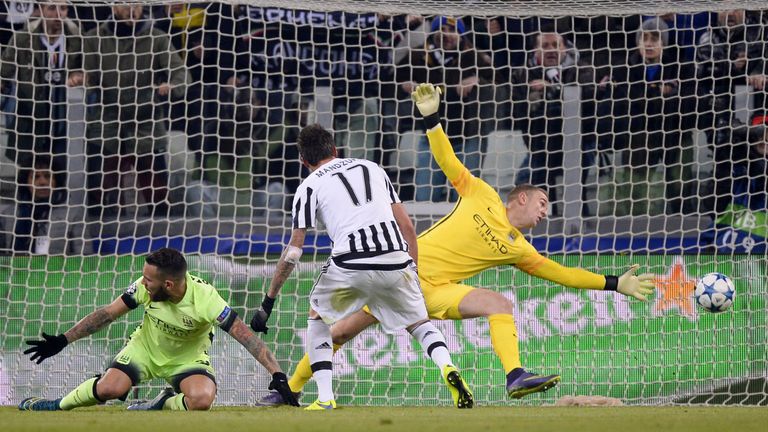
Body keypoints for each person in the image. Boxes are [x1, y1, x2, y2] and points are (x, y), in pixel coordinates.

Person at [255, 83, 657, 406]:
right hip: (404, 270)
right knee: (339, 334)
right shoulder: (480, 193)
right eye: (541, 203)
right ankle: (289, 388)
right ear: (520, 197)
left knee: (500, 304)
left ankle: (515, 376)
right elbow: (448, 161)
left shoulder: (520, 248)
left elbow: (561, 273)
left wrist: (612, 282)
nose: (544, 212)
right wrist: (432, 120)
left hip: (431, 289)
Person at [249, 124, 473, 410]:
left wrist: (268, 301)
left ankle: (325, 398)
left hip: (350, 261)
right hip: (395, 257)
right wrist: (412, 274)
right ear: (335, 150)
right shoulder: (373, 168)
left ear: (304, 161)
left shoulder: (308, 186)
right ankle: (448, 368)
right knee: (418, 321)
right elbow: (407, 227)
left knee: (317, 316)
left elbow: (293, 252)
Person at [18, 248, 299, 411]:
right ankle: (52, 405)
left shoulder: (206, 299)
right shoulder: (144, 288)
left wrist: (277, 373)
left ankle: (161, 403)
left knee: (202, 400)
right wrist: (64, 339)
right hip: (144, 351)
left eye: (149, 279)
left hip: (187, 359)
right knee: (109, 389)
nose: (143, 282)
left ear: (168, 285)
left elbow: (247, 337)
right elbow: (106, 314)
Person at [82, 4, 188, 220]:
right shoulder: (94, 38)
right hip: (107, 121)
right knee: (99, 193)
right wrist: (80, 79)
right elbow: (85, 74)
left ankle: (160, 243)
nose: (132, 8)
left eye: (137, 4)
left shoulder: (157, 38)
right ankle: (99, 244)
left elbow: (181, 73)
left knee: (158, 194)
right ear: (113, 6)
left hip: (147, 123)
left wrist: (172, 86)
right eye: (126, 3)